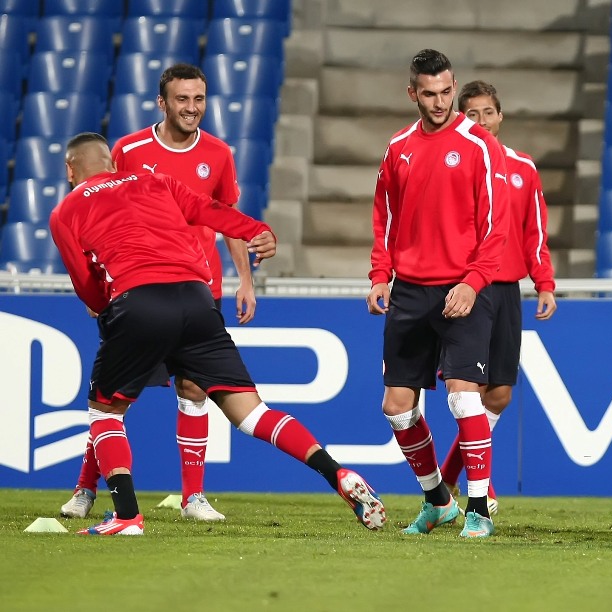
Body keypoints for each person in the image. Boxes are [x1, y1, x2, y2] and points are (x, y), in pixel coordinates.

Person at [50, 132, 385, 535]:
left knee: (105, 411)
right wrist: (257, 230)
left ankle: (125, 516)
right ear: (111, 162)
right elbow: (210, 209)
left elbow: (86, 284)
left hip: (138, 302)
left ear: (70, 169)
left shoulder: (66, 211)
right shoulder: (154, 181)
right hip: (197, 299)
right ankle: (337, 474)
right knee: (252, 413)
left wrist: (108, 308)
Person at [60, 63, 252, 522]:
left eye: (199, 99)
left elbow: (225, 216)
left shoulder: (219, 154)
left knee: (194, 387)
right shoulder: (128, 149)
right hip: (138, 287)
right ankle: (86, 489)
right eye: (182, 100)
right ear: (162, 103)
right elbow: (101, 211)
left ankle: (193, 497)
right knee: (115, 397)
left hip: (199, 283)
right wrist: (101, 288)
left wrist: (245, 278)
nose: (192, 108)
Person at [367, 50, 509, 539]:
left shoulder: (479, 145)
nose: (440, 101)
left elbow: (497, 228)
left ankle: (479, 510)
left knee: (464, 400)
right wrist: (379, 274)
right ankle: (437, 501)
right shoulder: (398, 147)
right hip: (408, 289)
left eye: (447, 91)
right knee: (396, 407)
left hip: (464, 288)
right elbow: (384, 215)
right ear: (413, 93)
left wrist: (472, 283)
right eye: (429, 93)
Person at [438, 80, 557, 514]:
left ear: (500, 117)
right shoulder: (453, 164)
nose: (482, 121)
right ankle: (477, 488)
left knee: (501, 394)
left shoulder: (522, 168)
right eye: (472, 114)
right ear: (460, 118)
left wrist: (544, 282)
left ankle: (448, 481)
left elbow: (534, 231)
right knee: (471, 388)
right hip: (469, 287)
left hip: (507, 289)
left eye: (488, 113)